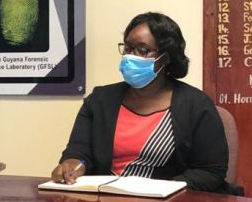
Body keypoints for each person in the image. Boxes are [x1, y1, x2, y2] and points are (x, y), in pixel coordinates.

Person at [50, 12, 231, 193]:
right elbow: (79, 152)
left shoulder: (196, 105)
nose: (130, 56)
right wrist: (73, 163)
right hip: (107, 196)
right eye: (128, 48)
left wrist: (161, 189)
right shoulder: (99, 101)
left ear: (165, 58)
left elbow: (211, 171)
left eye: (142, 50)